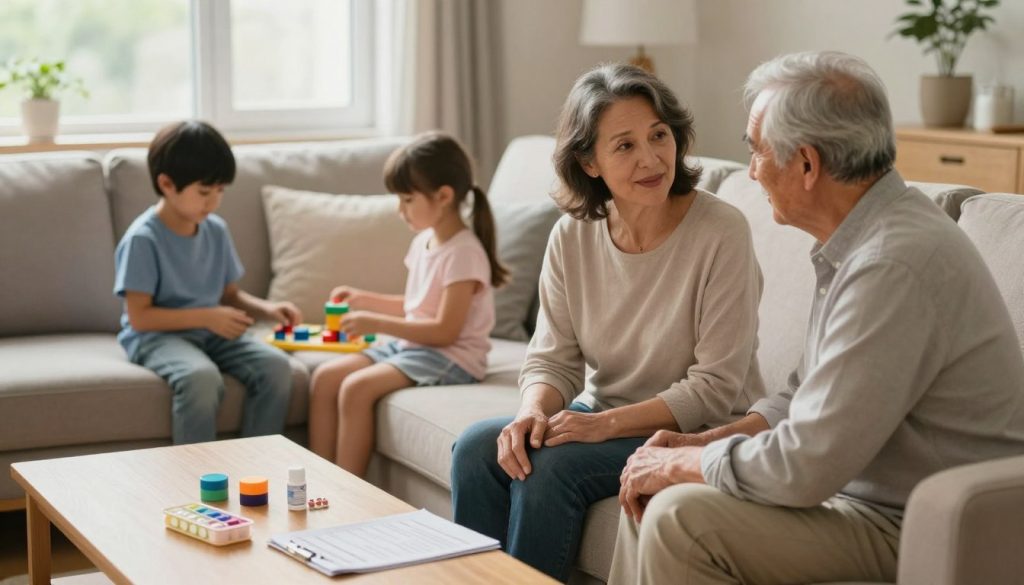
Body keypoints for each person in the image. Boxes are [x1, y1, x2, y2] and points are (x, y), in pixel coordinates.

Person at [610, 50, 1024, 585]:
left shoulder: (891, 264)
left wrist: (680, 465)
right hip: (870, 502)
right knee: (655, 485)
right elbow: (801, 394)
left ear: (807, 164)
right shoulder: (861, 241)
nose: (752, 170)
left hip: (927, 524)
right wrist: (697, 445)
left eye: (757, 151)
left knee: (679, 517)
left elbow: (803, 466)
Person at [449, 63, 767, 582]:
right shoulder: (572, 236)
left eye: (659, 135)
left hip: (693, 428)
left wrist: (600, 425)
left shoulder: (721, 232)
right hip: (600, 413)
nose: (651, 158)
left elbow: (714, 388)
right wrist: (530, 413)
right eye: (624, 146)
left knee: (550, 468)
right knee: (478, 449)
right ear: (589, 162)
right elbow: (553, 358)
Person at [307, 131, 508, 477]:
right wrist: (363, 300)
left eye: (407, 199)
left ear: (443, 196)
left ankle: (344, 487)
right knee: (325, 377)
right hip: (415, 347)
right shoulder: (425, 242)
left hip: (452, 356)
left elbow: (445, 330)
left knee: (356, 389)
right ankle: (318, 477)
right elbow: (417, 306)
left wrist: (376, 323)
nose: (400, 211)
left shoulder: (464, 253)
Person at [114, 120, 302, 445]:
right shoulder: (143, 239)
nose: (213, 202)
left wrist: (269, 309)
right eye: (204, 192)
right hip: (155, 337)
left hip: (209, 332)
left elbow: (229, 294)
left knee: (276, 367)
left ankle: (258, 466)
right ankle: (196, 482)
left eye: (219, 191)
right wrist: (207, 316)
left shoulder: (215, 229)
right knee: (200, 378)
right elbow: (140, 317)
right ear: (167, 184)